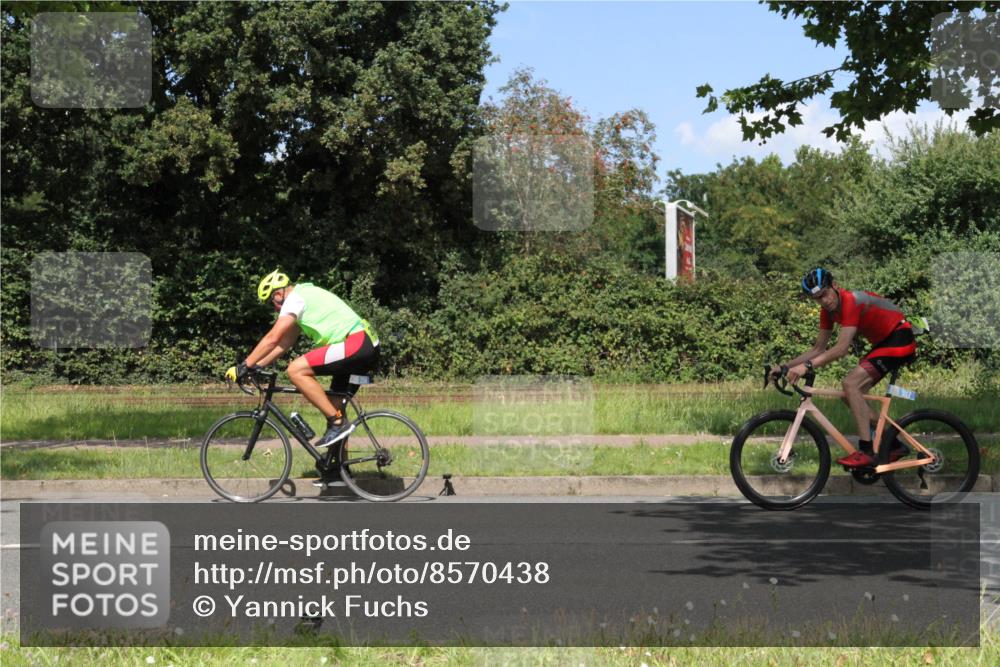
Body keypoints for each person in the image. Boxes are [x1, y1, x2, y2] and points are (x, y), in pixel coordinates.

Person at [225, 270, 379, 483]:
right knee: (333, 405)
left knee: (295, 370)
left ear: (279, 293)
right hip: (363, 344)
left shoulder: (295, 299)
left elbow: (272, 338)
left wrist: (244, 365)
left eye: (272, 300)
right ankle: (340, 471)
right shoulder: (303, 297)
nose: (274, 306)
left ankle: (338, 422)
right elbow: (282, 344)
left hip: (356, 342)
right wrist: (256, 366)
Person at [773, 268, 916, 468]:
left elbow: (841, 349)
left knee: (850, 384)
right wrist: (785, 367)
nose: (823, 301)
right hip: (884, 342)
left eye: (824, 294)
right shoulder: (828, 312)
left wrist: (805, 367)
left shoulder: (850, 301)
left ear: (835, 286)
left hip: (899, 337)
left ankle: (866, 451)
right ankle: (893, 443)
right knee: (849, 395)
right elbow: (818, 348)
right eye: (817, 298)